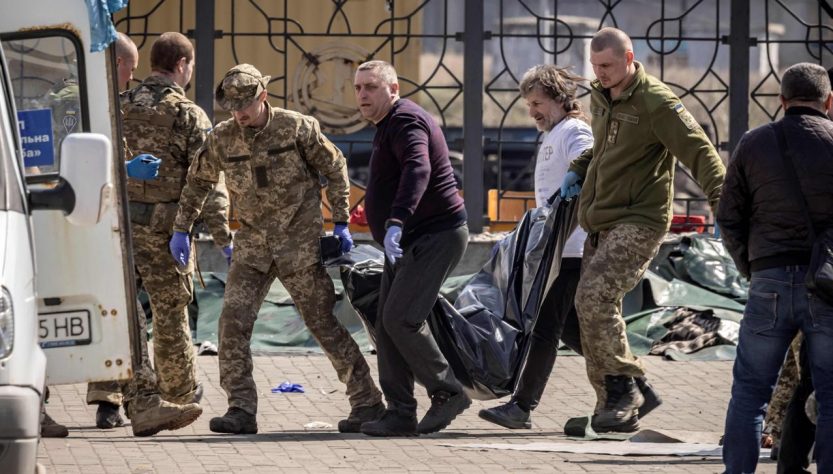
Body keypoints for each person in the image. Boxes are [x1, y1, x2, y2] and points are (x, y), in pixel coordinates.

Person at [170, 63, 383, 435]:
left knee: (322, 323)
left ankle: (367, 402)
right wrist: (181, 229)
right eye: (233, 107)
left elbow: (335, 167)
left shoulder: (297, 127)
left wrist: (341, 220)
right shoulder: (222, 137)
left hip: (297, 244)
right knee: (231, 325)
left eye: (246, 105)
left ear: (263, 97)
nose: (240, 113)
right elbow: (198, 183)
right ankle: (241, 409)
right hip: (252, 248)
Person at [560, 27, 725, 433]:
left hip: (641, 219)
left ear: (630, 57)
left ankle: (623, 390)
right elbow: (602, 148)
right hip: (602, 219)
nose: (600, 74)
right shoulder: (601, 96)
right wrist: (579, 169)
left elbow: (700, 151)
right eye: (595, 66)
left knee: (594, 297)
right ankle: (620, 401)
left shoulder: (657, 102)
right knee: (588, 310)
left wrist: (727, 207)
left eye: (608, 66)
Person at [718, 62, 833, 474]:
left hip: (768, 279)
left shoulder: (753, 144)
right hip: (825, 288)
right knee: (831, 394)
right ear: (829, 101)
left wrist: (753, 267)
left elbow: (728, 217)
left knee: (750, 393)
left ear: (782, 101)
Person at [352, 60, 469, 437]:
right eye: (358, 88)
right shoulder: (388, 124)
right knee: (386, 323)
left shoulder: (405, 121)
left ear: (394, 88)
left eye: (371, 86)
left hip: (434, 235)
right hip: (408, 240)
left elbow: (419, 169)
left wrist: (397, 221)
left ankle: (447, 391)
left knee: (401, 318)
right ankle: (400, 412)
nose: (363, 95)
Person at [122, 31, 231, 412]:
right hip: (165, 230)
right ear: (182, 65)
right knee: (169, 312)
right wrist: (222, 235)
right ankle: (178, 392)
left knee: (123, 311)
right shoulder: (188, 114)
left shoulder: (119, 104)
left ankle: (122, 392)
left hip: (119, 230)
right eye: (191, 65)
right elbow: (207, 179)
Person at [477, 64, 591, 429]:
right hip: (557, 248)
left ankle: (522, 406)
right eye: (529, 104)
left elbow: (587, 155)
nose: (533, 111)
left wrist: (578, 171)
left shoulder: (573, 129)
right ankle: (631, 382)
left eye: (538, 102)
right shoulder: (554, 132)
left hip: (570, 248)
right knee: (573, 329)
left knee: (545, 327)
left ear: (559, 99)